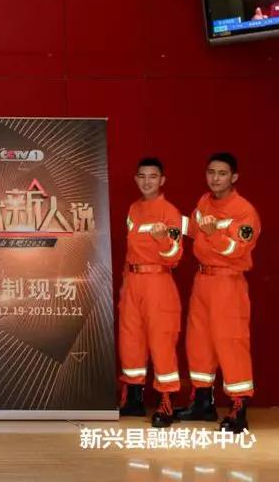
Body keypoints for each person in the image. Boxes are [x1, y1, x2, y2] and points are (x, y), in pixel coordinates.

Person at [175, 153, 261, 434]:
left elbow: (236, 250)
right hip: (203, 280)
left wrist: (213, 234)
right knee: (199, 341)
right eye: (211, 172)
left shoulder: (244, 211)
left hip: (228, 283)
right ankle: (202, 402)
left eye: (222, 173)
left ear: (234, 177)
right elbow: (194, 230)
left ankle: (238, 408)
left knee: (230, 341)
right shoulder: (204, 202)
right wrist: (165, 219)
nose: (215, 178)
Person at [117, 158, 187, 428]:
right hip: (133, 282)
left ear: (162, 180)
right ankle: (133, 398)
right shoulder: (133, 209)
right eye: (142, 176)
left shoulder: (170, 212)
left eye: (153, 176)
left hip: (158, 282)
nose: (147, 181)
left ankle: (166, 401)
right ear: (136, 179)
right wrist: (125, 283)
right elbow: (130, 251)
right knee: (130, 340)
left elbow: (175, 255)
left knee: (161, 341)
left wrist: (163, 240)